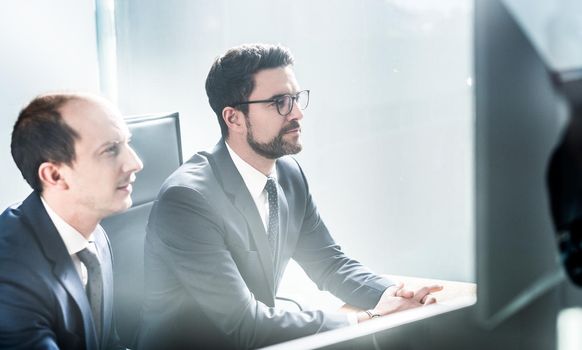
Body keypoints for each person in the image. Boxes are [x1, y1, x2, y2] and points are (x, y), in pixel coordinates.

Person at [138, 44, 442, 349]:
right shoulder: (188, 201)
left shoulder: (287, 174)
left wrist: (394, 295)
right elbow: (244, 325)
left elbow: (329, 263)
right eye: (279, 102)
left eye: (295, 98)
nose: (296, 113)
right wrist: (369, 320)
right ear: (234, 119)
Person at [0, 93, 143, 350]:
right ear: (55, 175)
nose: (135, 163)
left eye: (127, 143)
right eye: (110, 149)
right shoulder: (10, 272)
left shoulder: (94, 235)